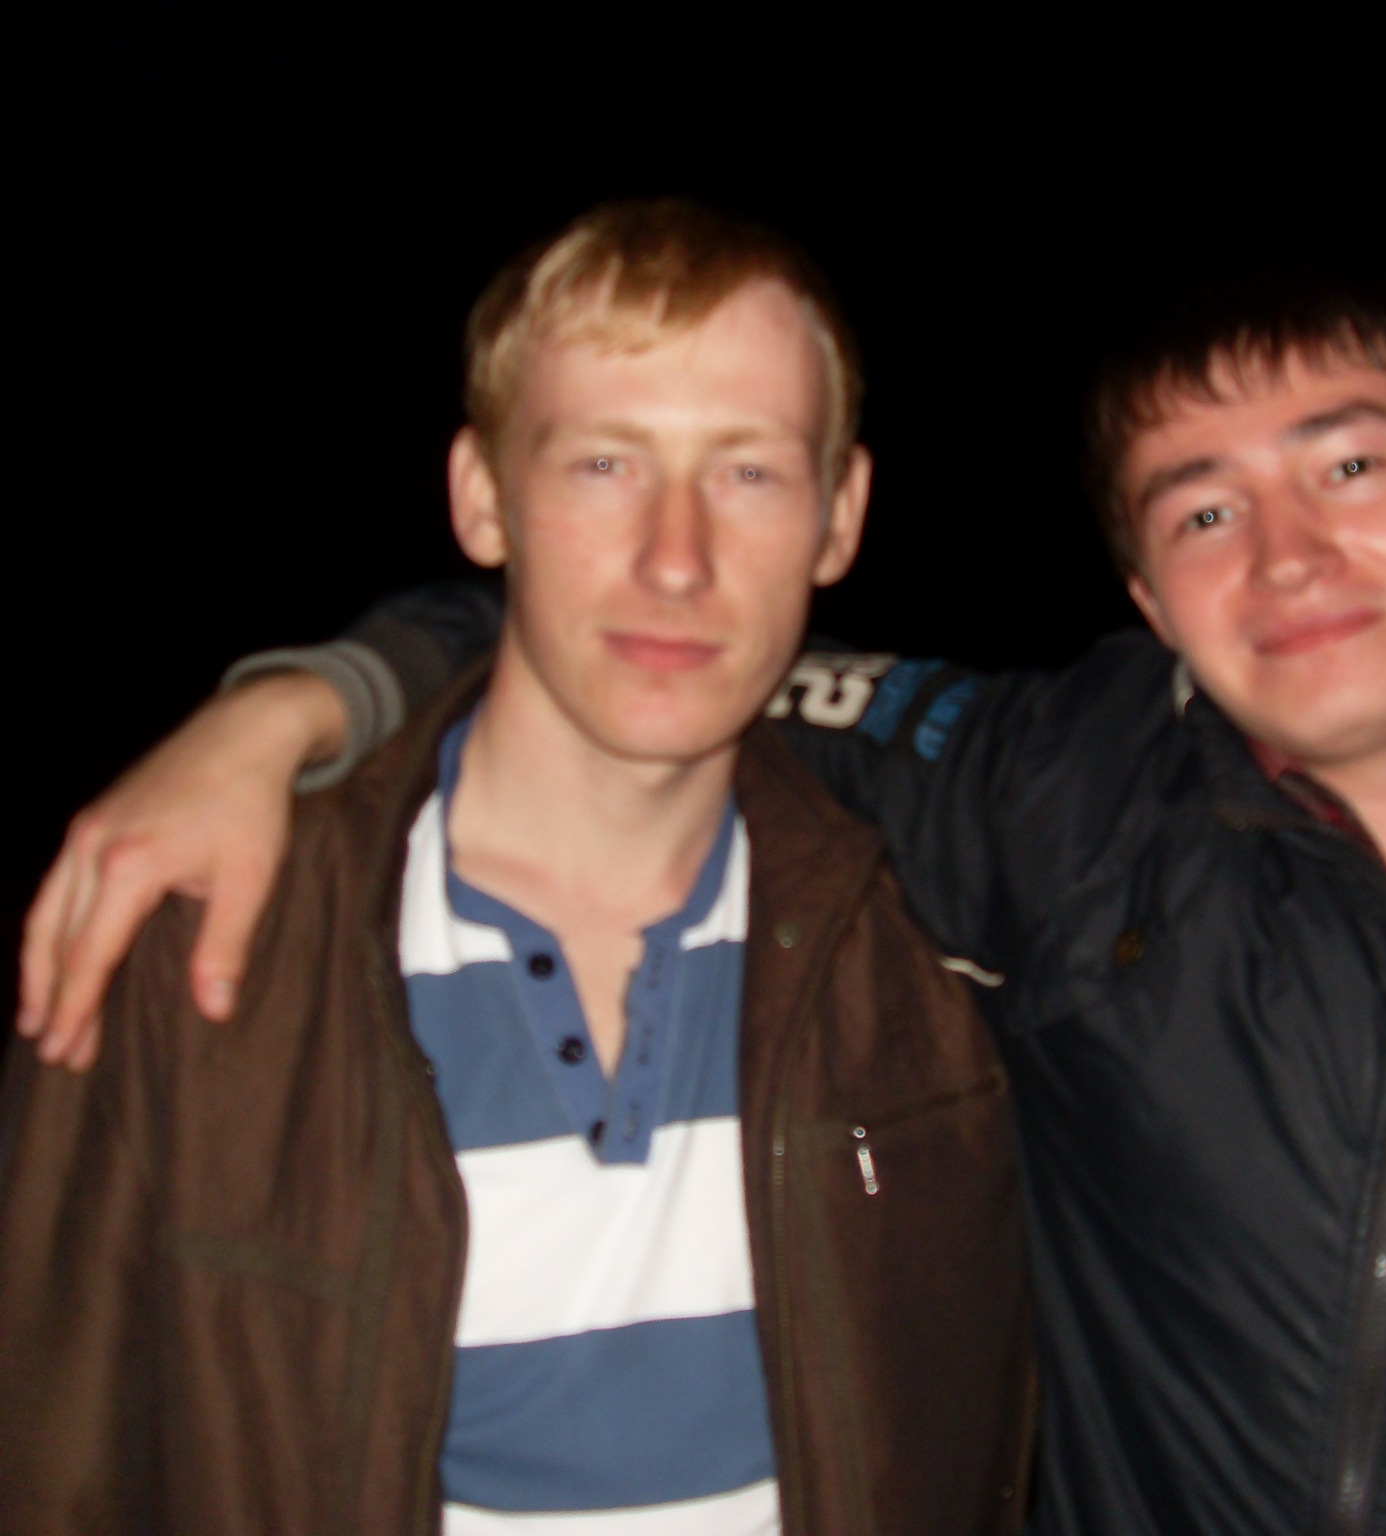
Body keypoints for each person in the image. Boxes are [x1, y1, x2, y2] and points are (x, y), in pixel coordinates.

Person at [11, 263, 1386, 1533]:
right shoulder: (1062, 813)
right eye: (1204, 508)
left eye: (1352, 463)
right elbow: (656, 638)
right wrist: (304, 700)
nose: (1285, 554)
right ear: (1148, 596)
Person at [0, 201, 1035, 1535]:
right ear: (483, 496)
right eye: (604, 463)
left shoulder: (925, 942)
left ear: (840, 518)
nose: (677, 558)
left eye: (748, 473)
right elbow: (53, 1459)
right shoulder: (198, 939)